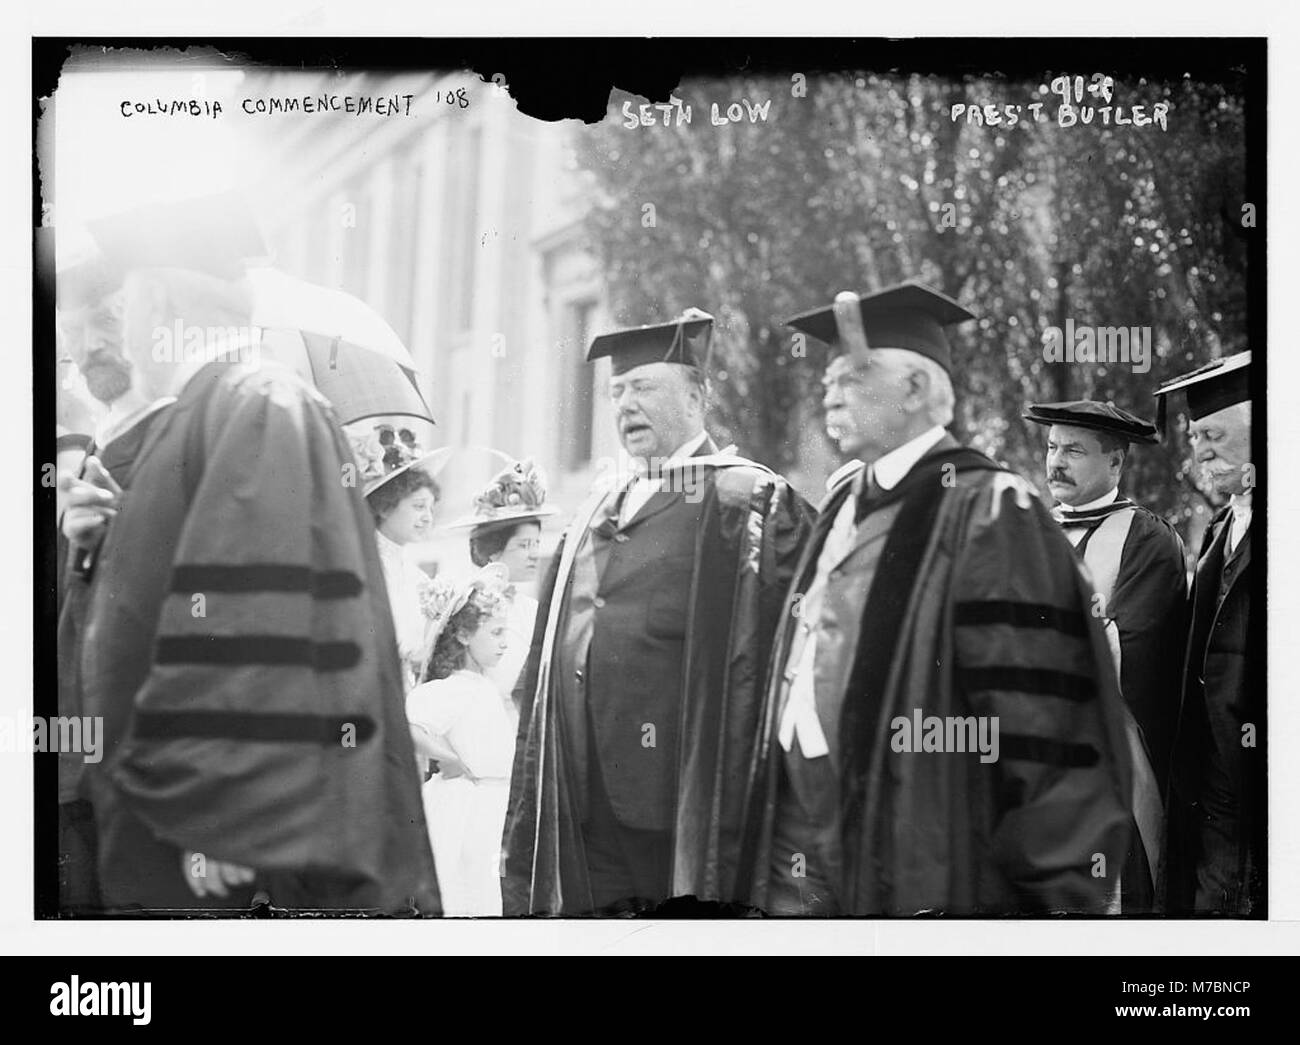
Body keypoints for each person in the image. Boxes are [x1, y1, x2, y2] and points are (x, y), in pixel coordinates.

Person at [76, 198, 439, 913]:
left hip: (230, 862)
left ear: (158, 303)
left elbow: (260, 629)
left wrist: (225, 818)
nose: (120, 334)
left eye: (122, 310)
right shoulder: (203, 419)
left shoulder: (259, 404)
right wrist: (105, 543)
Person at [738, 282, 1133, 916]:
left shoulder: (993, 513)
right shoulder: (843, 501)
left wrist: (1054, 912)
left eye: (852, 373)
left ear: (917, 391)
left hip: (919, 852)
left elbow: (1046, 732)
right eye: (828, 376)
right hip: (800, 847)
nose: (828, 389)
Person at [503, 309, 815, 915]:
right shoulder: (596, 509)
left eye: (644, 387)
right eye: (617, 391)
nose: (625, 405)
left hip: (681, 807)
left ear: (698, 397)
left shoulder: (745, 501)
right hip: (581, 794)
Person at [1023, 400, 1188, 910]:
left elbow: (1133, 650)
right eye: (1052, 447)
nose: (1056, 462)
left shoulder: (1148, 539)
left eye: (1073, 450)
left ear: (1115, 463)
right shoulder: (1029, 531)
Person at [1154, 351, 1260, 916]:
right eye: (1196, 437)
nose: (1201, 450)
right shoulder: (1224, 525)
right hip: (1217, 779)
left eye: (1215, 434)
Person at [407, 566, 515, 915]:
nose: (504, 642)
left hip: (493, 803)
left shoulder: (487, 687)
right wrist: (447, 757)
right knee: (466, 894)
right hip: (467, 806)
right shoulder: (458, 687)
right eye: (496, 632)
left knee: (486, 891)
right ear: (465, 635)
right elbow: (407, 724)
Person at [442, 456, 559, 727]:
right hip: (475, 725)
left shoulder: (533, 610)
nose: (534, 555)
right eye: (524, 546)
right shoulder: (467, 606)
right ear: (494, 550)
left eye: (536, 544)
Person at [348, 420, 450, 692]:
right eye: (418, 506)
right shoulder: (361, 564)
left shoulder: (416, 576)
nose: (427, 517)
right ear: (384, 506)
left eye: (430, 508)